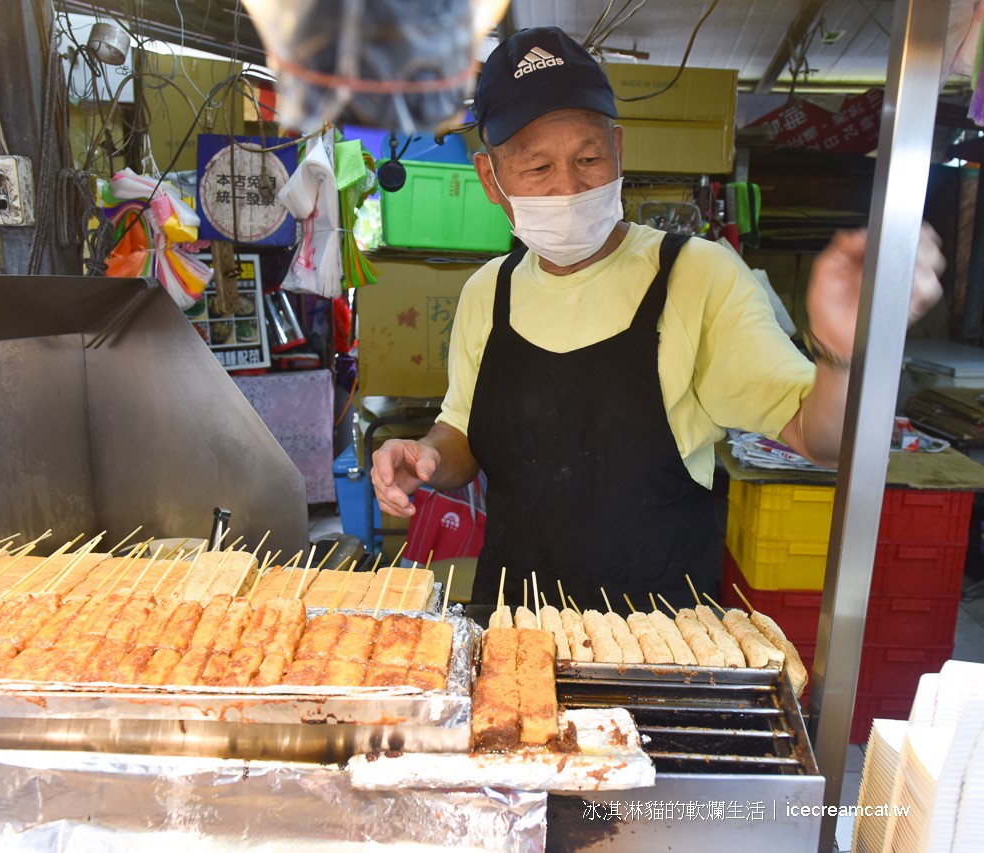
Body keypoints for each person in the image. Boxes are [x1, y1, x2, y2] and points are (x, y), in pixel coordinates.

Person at [371, 26, 945, 609]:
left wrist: (840, 352)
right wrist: (428, 455)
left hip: (661, 645)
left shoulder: (697, 275)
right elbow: (464, 431)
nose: (569, 187)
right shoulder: (485, 293)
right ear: (490, 179)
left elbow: (821, 438)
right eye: (538, 169)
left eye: (589, 157)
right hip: (517, 636)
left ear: (619, 149)